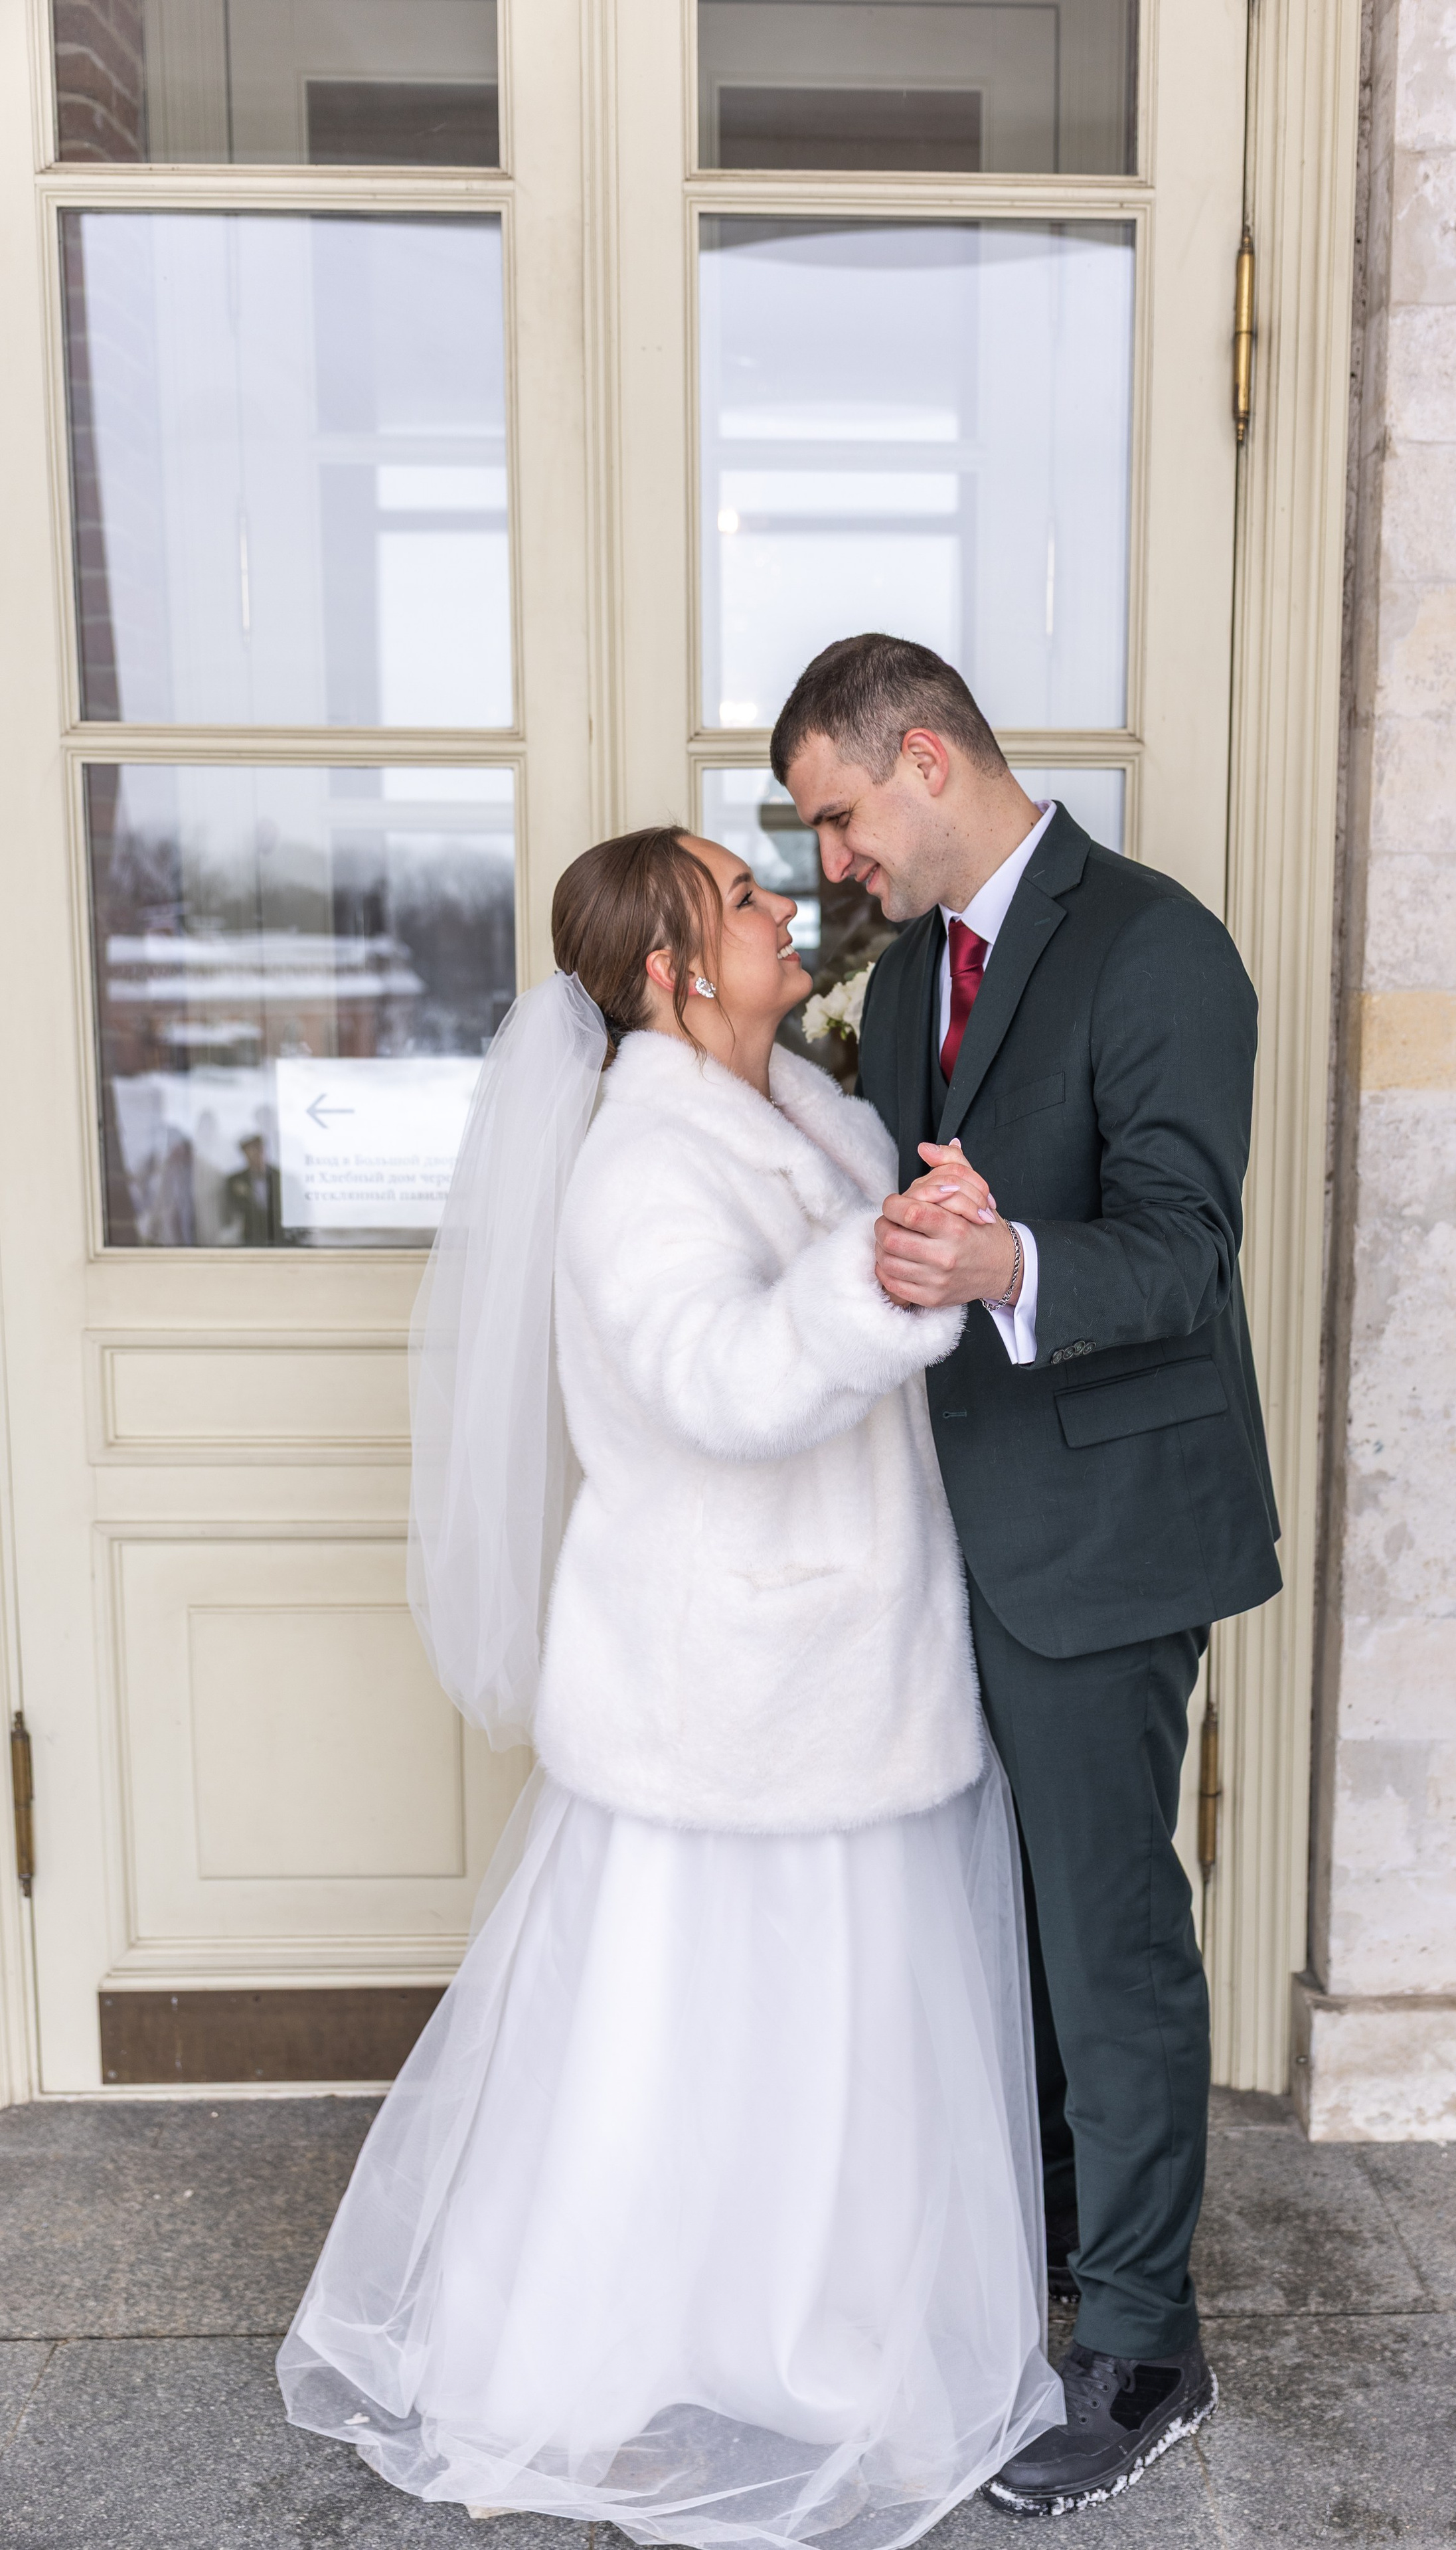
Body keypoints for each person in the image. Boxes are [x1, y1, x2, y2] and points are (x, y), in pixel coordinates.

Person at [277, 824, 1062, 2539]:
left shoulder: (821, 1114)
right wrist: (877, 1274)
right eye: (743, 900)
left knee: (834, 2050)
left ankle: (826, 2343)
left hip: (844, 1663)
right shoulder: (642, 1167)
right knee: (680, 2053)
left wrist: (931, 1230)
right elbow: (718, 1379)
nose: (787, 908)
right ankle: (618, 2358)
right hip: (730, 1689)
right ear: (669, 974)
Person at [773, 634, 1283, 2516]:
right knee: (1002, 1941)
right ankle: (1047, 2275)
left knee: (1104, 1936)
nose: (832, 863)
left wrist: (1006, 1272)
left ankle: (1145, 2346)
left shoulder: (1158, 945)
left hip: (1106, 1546)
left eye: (836, 817)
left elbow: (1180, 1250)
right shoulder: (908, 978)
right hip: (942, 1547)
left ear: (921, 763)